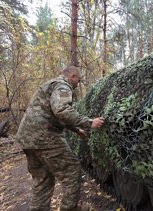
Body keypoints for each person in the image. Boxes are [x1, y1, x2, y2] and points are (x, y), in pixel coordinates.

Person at [16, 65, 104, 211]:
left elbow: (53, 113)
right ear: (72, 77)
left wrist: (76, 130)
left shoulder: (50, 85)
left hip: (28, 139)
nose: (78, 84)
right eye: (78, 80)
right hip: (45, 138)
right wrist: (89, 122)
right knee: (72, 170)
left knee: (42, 180)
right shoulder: (63, 87)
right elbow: (61, 110)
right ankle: (70, 208)